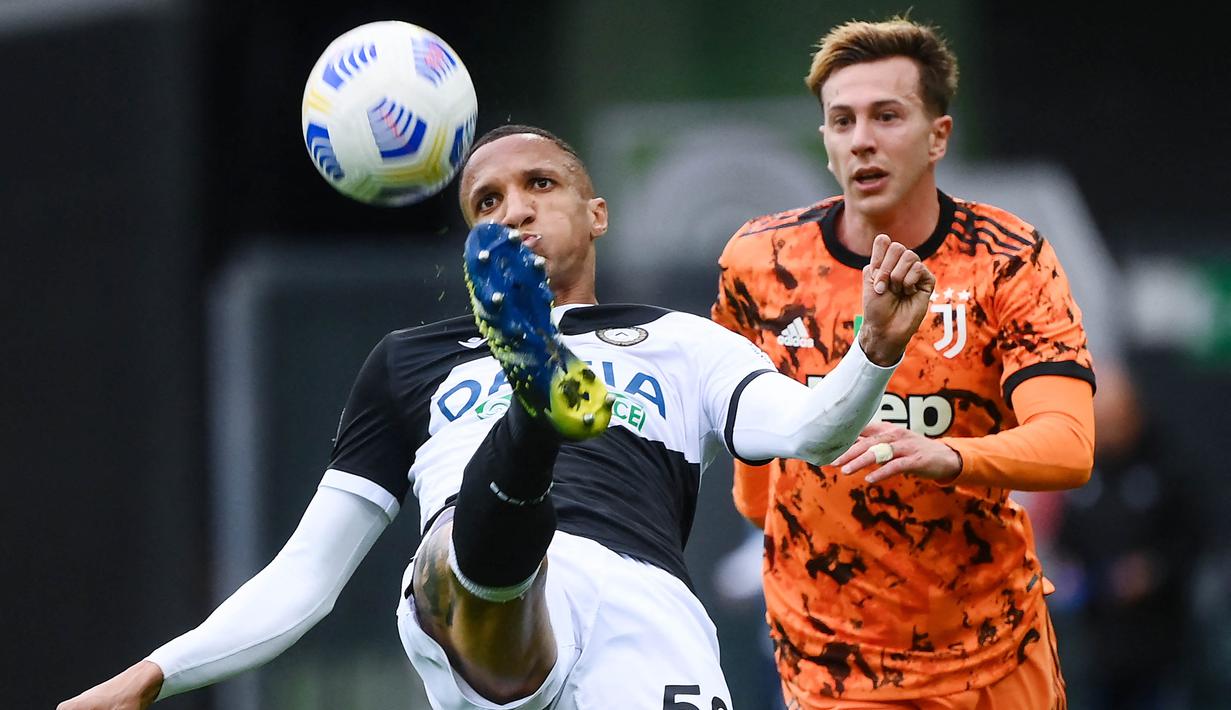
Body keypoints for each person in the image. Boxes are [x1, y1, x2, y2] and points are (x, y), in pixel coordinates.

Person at [59, 124, 937, 710]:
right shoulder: (409, 362)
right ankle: (533, 417)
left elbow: (812, 430)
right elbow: (305, 578)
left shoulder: (682, 341)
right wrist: (156, 673)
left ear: (595, 214)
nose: (513, 208)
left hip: (642, 607)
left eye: (539, 184)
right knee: (461, 562)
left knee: (486, 560)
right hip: (485, 589)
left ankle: (534, 412)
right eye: (486, 202)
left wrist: (875, 347)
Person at [711, 17, 1096, 709]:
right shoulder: (760, 261)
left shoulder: (1008, 259)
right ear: (826, 141)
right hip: (832, 667)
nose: (862, 139)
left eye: (887, 116)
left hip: (994, 650)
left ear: (937, 136)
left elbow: (1068, 445)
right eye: (842, 120)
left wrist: (944, 455)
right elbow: (749, 466)